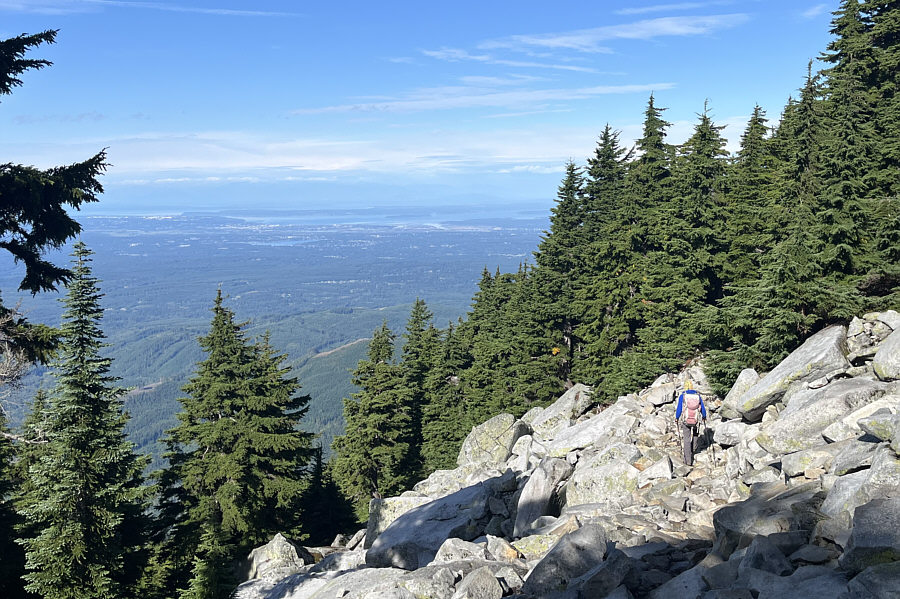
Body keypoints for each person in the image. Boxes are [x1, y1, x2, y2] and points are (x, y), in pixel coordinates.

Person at [674, 380, 707, 466]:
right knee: (695, 434)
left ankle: (688, 461)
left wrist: (677, 418)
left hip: (686, 420)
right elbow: (702, 408)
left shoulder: (683, 396)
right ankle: (694, 449)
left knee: (686, 439)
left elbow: (679, 409)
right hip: (696, 420)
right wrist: (704, 416)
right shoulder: (697, 396)